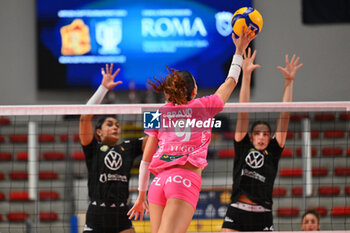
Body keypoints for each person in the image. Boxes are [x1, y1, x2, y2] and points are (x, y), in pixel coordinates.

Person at [127, 27, 256, 233]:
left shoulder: (156, 113)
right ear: (194, 91)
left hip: (157, 183)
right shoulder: (203, 106)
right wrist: (238, 51)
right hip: (183, 181)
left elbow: (145, 159)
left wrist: (141, 195)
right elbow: (230, 82)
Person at [221, 49, 303, 232]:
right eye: (258, 133)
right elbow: (243, 111)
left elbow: (285, 115)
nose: (262, 137)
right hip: (237, 210)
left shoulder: (273, 150)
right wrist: (247, 75)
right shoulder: (243, 145)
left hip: (263, 213)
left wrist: (289, 82)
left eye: (266, 134)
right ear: (251, 137)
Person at [79, 64, 147, 233]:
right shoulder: (92, 147)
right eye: (110, 124)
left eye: (117, 125)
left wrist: (168, 108)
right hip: (97, 213)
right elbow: (84, 118)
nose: (116, 127)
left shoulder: (128, 147)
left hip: (122, 213)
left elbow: (155, 137)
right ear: (99, 132)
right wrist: (103, 88)